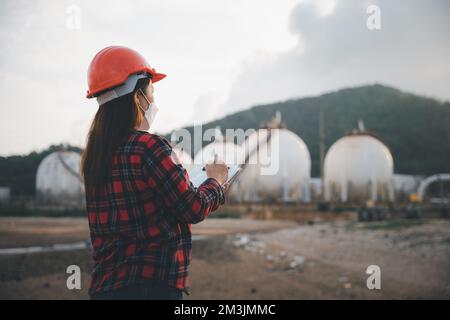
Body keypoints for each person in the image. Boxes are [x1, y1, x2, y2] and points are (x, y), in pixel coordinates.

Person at [81, 46, 228, 300]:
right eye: (152, 91)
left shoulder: (95, 156)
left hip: (106, 287)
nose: (153, 100)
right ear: (138, 96)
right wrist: (215, 181)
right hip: (151, 287)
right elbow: (192, 207)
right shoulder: (150, 147)